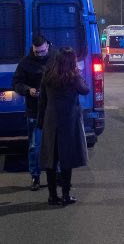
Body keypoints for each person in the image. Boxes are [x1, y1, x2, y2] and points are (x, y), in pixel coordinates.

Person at [38, 47, 90, 206]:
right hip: (69, 121)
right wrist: (79, 74)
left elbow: (42, 100)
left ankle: (52, 196)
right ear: (72, 62)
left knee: (51, 159)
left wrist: (41, 121)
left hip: (51, 120)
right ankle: (66, 195)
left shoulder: (47, 75)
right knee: (67, 159)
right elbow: (85, 90)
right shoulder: (74, 77)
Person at [12, 34, 55, 191]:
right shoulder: (25, 63)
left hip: (52, 110)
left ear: (47, 46)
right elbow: (16, 83)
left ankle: (55, 174)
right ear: (33, 49)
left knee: (54, 145)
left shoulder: (55, 58)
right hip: (34, 110)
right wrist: (28, 90)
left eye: (42, 51)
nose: (40, 54)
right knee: (35, 146)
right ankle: (35, 176)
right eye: (37, 52)